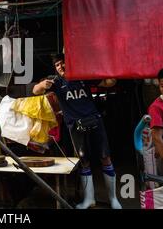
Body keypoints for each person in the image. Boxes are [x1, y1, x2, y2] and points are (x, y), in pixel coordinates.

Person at [33, 53, 122, 209]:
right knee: (84, 162)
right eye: (57, 65)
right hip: (75, 126)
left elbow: (109, 82)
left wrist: (107, 67)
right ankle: (89, 200)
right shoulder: (55, 82)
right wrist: (42, 86)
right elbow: (35, 90)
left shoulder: (82, 75)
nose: (61, 67)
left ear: (70, 62)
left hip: (95, 121)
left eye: (63, 63)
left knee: (105, 157)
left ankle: (114, 199)